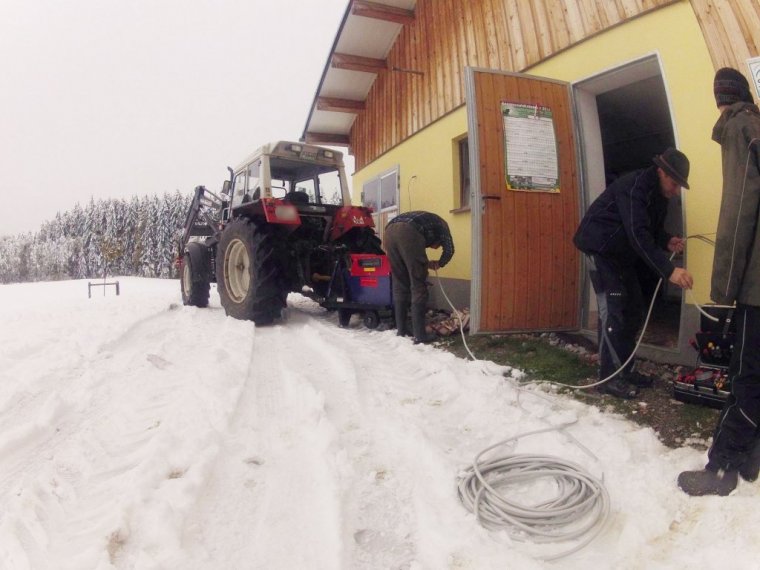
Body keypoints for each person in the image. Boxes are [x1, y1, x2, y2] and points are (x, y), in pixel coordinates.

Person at [678, 68, 760, 496]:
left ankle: (723, 469)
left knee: (747, 374)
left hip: (757, 288)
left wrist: (723, 289)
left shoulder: (739, 126)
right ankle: (748, 458)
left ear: (721, 99)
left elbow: (738, 208)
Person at [573, 148, 694, 399]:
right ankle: (607, 379)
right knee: (613, 313)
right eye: (674, 183)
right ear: (661, 172)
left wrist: (666, 240)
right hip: (600, 249)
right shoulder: (634, 186)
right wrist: (669, 270)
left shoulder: (659, 195)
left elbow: (648, 231)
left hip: (622, 255)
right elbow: (637, 234)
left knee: (635, 310)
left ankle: (625, 371)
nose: (676, 190)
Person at [384, 211, 454, 344]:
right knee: (419, 284)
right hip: (408, 231)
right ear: (438, 238)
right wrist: (440, 263)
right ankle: (420, 335)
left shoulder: (428, 222)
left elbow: (412, 254)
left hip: (389, 231)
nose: (433, 247)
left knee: (399, 283)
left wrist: (424, 262)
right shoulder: (443, 227)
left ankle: (401, 330)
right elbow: (450, 250)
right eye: (436, 246)